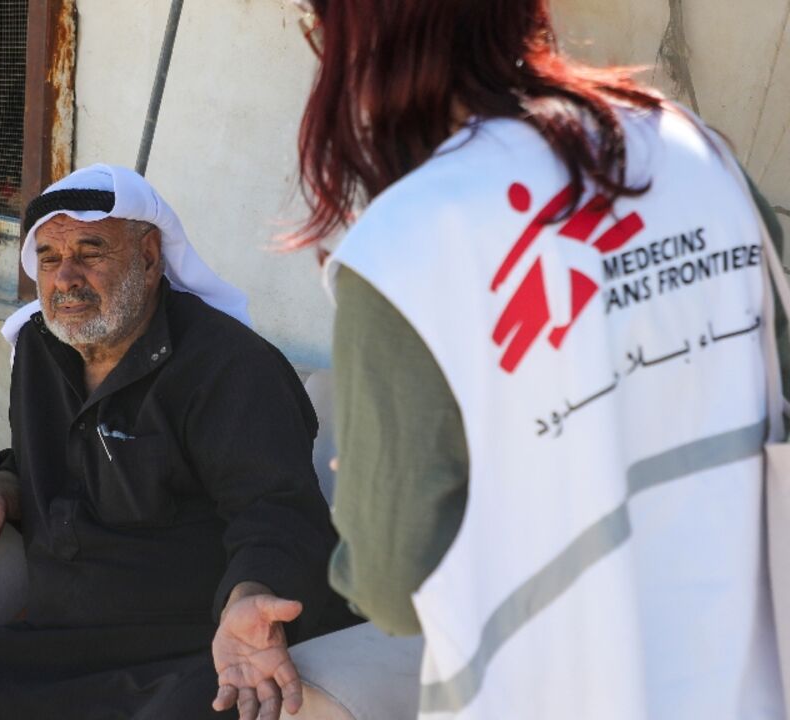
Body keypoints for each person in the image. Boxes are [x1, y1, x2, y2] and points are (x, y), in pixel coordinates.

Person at [284, 0, 788, 718]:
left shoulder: (408, 245)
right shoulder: (697, 154)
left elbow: (394, 588)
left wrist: (364, 493)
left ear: (362, 36)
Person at [0, 164, 351, 720]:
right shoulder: (41, 349)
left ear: (151, 257)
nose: (65, 278)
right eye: (49, 258)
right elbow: (52, 464)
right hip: (69, 640)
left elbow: (277, 509)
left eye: (91, 252)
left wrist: (251, 598)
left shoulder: (229, 368)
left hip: (191, 645)